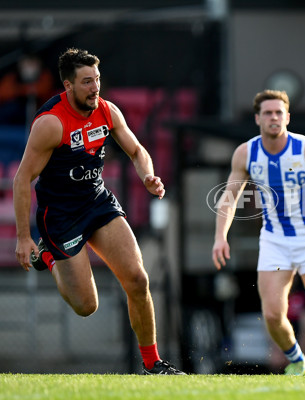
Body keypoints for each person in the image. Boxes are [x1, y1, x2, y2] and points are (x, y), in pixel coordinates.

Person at [12, 48, 184, 375]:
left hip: (97, 203)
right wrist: (23, 238)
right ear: (68, 85)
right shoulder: (50, 123)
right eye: (87, 82)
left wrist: (147, 174)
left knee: (137, 278)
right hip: (61, 217)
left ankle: (153, 364)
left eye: (98, 80)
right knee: (86, 307)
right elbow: (22, 180)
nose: (95, 88)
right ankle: (48, 257)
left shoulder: (107, 111)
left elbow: (136, 149)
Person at [211, 89, 305, 376]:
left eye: (279, 112)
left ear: (288, 117)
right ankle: (297, 360)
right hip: (275, 241)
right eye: (268, 113)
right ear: (258, 118)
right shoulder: (246, 153)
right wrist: (221, 236)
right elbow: (230, 197)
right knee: (271, 314)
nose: (274, 117)